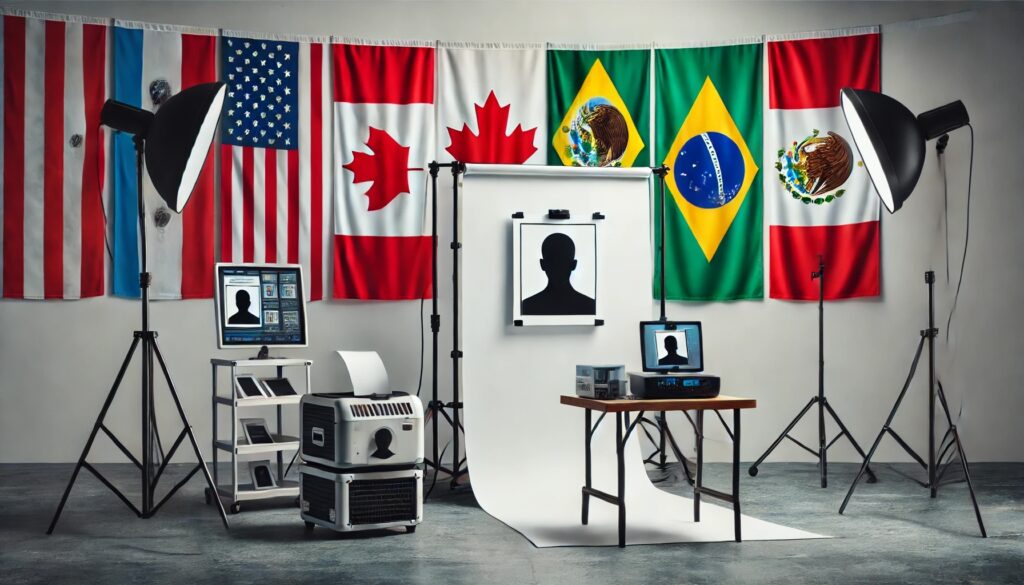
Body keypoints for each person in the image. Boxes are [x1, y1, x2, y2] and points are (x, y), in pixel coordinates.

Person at [522, 232, 596, 315]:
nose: (558, 267)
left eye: (562, 261)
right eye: (553, 261)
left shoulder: (528, 306)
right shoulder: (589, 306)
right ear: (574, 264)